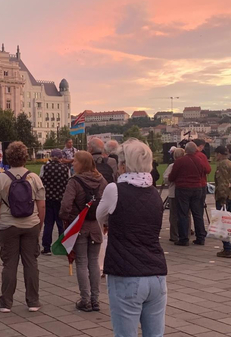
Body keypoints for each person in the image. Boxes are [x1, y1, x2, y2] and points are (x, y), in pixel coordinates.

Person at [96, 139, 167, 337]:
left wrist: (112, 224)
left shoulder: (115, 190)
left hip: (126, 273)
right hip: (156, 273)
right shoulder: (154, 193)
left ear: (124, 165)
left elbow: (99, 217)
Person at [0, 142, 46, 313]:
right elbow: (42, 205)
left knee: (9, 264)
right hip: (31, 224)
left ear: (9, 157)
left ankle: (6, 302)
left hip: (8, 225)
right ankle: (33, 301)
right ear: (25, 157)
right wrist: (40, 224)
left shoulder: (1, 178)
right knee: (31, 263)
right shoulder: (34, 177)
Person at [60, 151, 107, 312]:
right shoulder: (102, 180)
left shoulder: (74, 181)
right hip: (95, 225)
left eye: (75, 161)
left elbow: (66, 205)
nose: (73, 164)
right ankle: (95, 300)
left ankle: (85, 299)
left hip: (79, 225)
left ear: (82, 164)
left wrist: (66, 218)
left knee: (81, 262)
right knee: (94, 262)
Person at [168, 142, 210, 246]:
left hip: (183, 189)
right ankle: (200, 237)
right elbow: (205, 171)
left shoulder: (180, 161)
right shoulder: (199, 160)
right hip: (197, 188)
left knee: (183, 214)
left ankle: (184, 238)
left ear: (185, 150)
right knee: (197, 214)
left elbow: (172, 177)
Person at [40, 149, 69, 255]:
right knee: (61, 224)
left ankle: (46, 247)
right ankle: (63, 247)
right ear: (60, 157)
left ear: (51, 157)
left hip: (48, 199)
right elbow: (67, 182)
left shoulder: (45, 167)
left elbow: (41, 181)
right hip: (60, 199)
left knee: (48, 224)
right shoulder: (65, 168)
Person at [164, 148, 185, 242]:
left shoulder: (172, 166)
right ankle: (185, 233)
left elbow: (166, 179)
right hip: (185, 192)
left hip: (174, 192)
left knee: (174, 215)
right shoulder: (186, 165)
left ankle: (174, 235)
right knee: (185, 213)